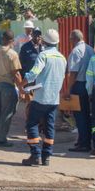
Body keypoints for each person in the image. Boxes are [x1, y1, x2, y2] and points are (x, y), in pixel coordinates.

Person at [20, 28, 67, 167]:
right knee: (49, 127)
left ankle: (35, 155)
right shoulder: (62, 58)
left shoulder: (43, 55)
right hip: (54, 99)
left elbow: (34, 73)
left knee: (32, 123)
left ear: (44, 42)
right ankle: (46, 157)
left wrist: (22, 84)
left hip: (41, 97)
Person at [0, 31, 20, 146]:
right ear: (12, 41)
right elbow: (16, 73)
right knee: (7, 112)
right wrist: (21, 88)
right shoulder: (12, 54)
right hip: (7, 85)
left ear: (2, 38)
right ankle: (1, 138)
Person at [62, 28, 91, 152]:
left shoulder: (75, 51)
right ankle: (85, 140)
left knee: (79, 116)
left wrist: (68, 89)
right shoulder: (90, 49)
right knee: (87, 114)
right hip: (89, 85)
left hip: (79, 85)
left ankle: (83, 144)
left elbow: (73, 73)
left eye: (70, 39)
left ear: (73, 39)